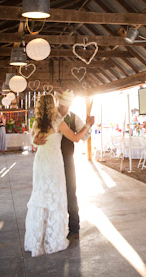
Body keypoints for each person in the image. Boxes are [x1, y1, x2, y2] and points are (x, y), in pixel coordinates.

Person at [24, 94, 94, 256]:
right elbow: (76, 138)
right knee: (56, 196)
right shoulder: (57, 122)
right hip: (54, 163)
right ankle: (53, 237)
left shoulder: (36, 122)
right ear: (53, 105)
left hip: (41, 162)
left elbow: (34, 139)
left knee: (41, 195)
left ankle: (37, 238)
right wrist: (88, 124)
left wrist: (35, 141)